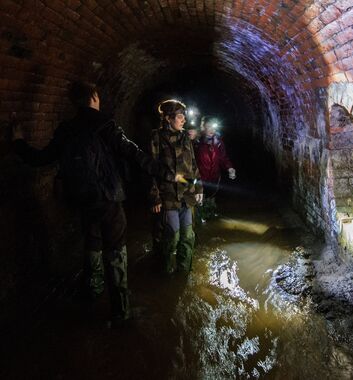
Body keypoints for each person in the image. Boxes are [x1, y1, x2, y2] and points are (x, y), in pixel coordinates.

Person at [11, 81, 177, 326]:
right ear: (94, 97)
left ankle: (92, 291)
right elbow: (133, 153)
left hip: (82, 199)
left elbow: (41, 158)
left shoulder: (65, 129)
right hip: (108, 198)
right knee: (116, 248)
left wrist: (18, 142)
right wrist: (164, 172)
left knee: (92, 242)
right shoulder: (105, 124)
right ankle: (120, 311)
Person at [149, 100, 203, 275]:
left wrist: (199, 188)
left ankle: (183, 271)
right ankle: (165, 270)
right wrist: (155, 196)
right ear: (167, 118)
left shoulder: (185, 137)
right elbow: (151, 168)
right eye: (180, 116)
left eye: (184, 117)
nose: (183, 120)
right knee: (172, 236)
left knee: (188, 237)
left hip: (187, 194)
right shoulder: (156, 137)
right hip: (168, 195)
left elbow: (193, 165)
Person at [195, 116, 236, 222]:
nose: (211, 130)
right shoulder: (197, 142)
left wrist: (230, 168)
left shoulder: (218, 142)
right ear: (203, 127)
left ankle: (210, 217)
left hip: (214, 176)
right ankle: (199, 220)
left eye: (213, 127)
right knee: (199, 202)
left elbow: (223, 157)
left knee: (211, 199)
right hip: (200, 178)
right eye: (208, 127)